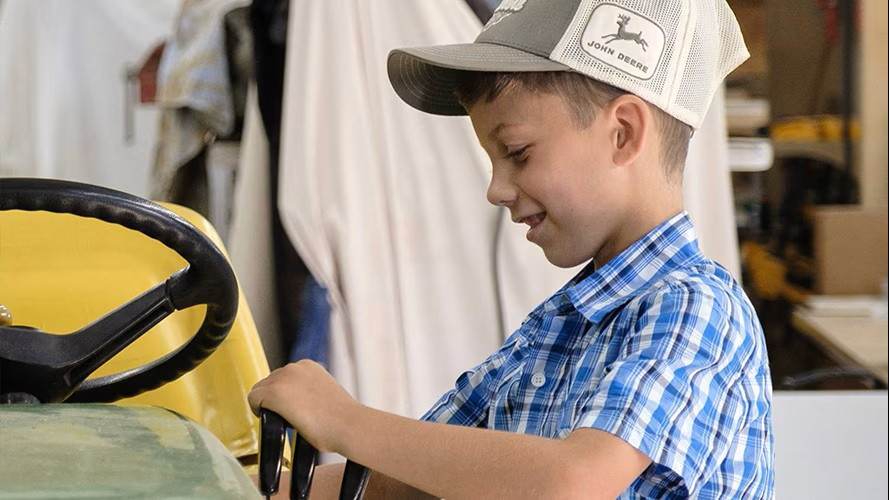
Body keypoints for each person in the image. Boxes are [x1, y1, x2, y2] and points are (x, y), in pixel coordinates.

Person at [248, 0, 774, 497]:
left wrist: (345, 421)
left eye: (517, 153)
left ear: (623, 133)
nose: (496, 189)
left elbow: (572, 483)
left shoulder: (698, 310)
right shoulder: (547, 336)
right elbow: (398, 483)